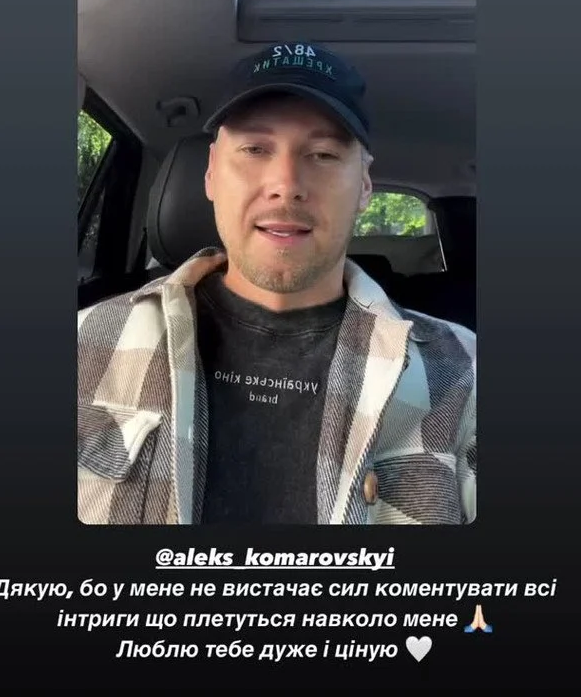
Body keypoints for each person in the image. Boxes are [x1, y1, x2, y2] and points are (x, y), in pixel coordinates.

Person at [78, 43, 476, 526]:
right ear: (211, 174)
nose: (286, 183)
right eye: (254, 149)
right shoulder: (83, 343)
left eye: (323, 154)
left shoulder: (464, 373)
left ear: (365, 186)